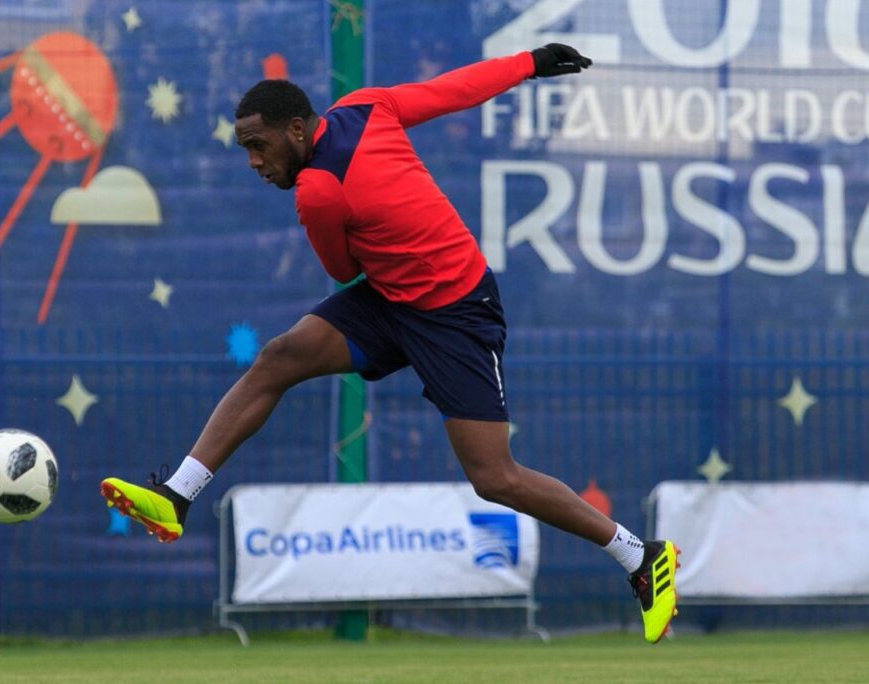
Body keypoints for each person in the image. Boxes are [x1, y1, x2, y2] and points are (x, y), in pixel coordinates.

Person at [101, 44, 680, 644]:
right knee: (278, 358)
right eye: (245, 148)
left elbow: (341, 267)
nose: (253, 161)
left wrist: (527, 65)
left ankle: (640, 555)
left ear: (296, 129)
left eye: (258, 145)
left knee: (495, 477)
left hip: (456, 313)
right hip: (391, 298)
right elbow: (455, 90)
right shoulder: (365, 107)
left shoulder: (318, 190)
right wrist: (530, 62)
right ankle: (176, 495)